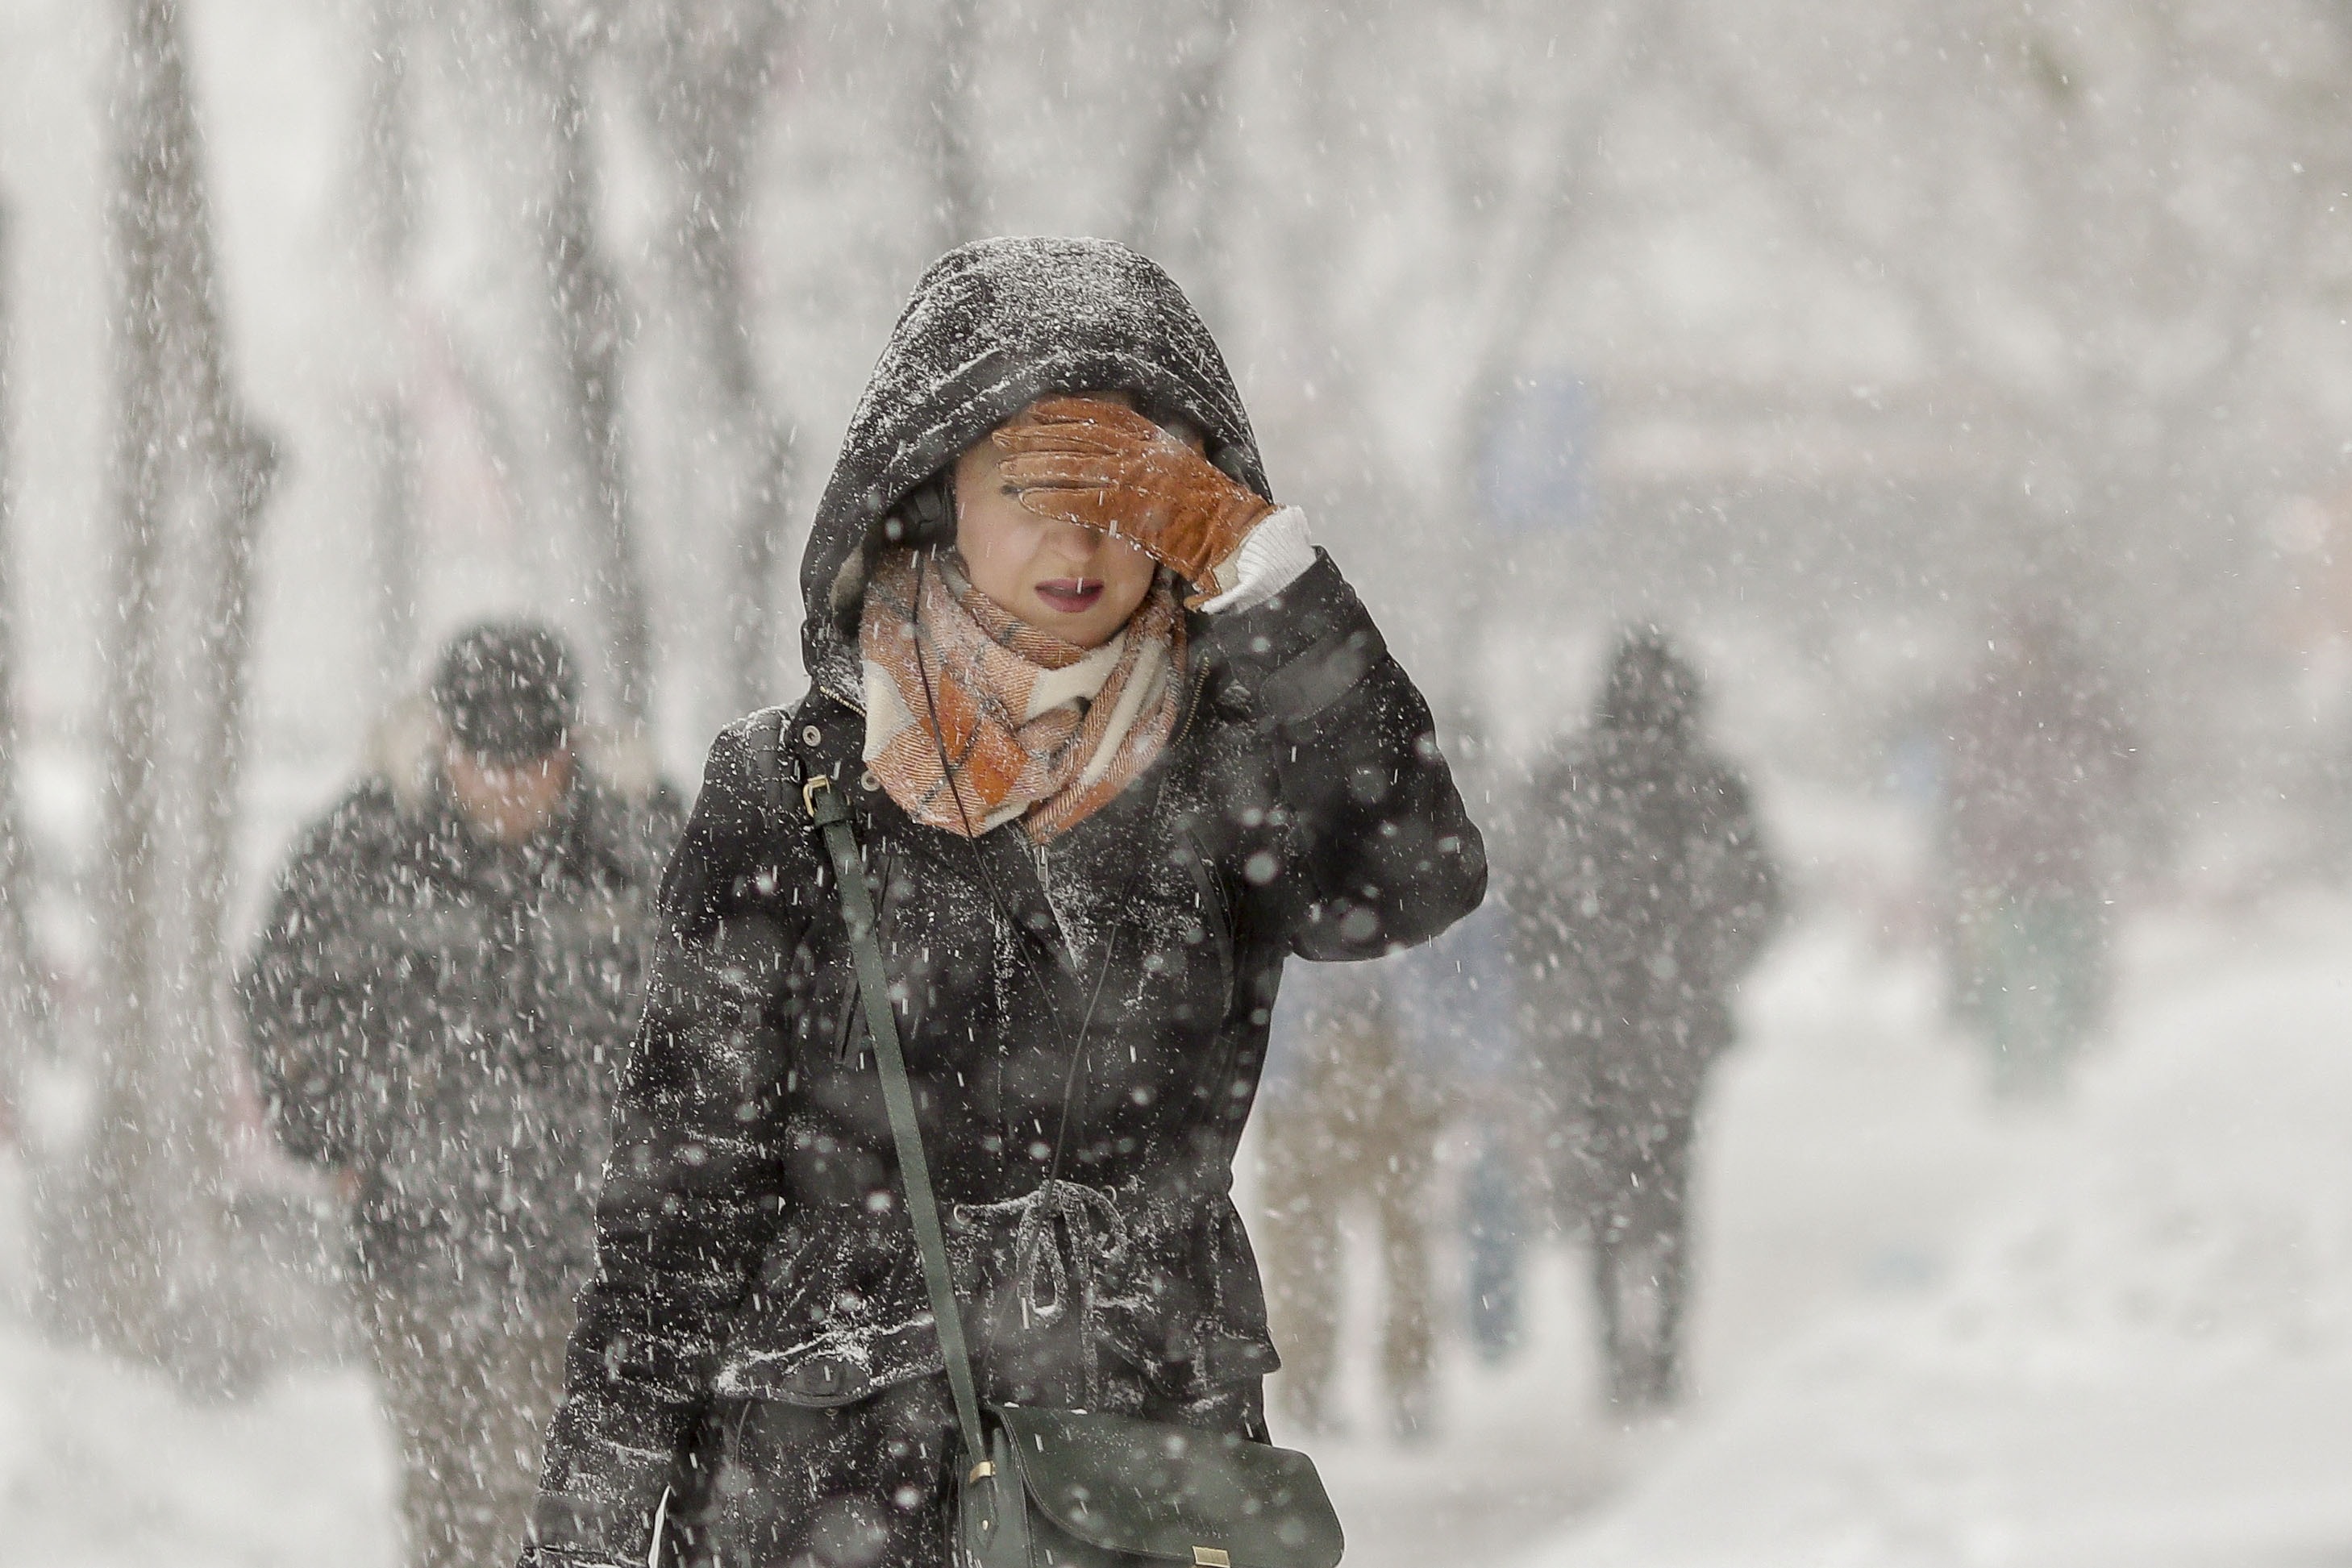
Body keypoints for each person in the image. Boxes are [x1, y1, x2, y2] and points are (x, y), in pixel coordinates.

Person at [517, 236, 1486, 1568]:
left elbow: (1418, 873)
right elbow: (686, 1181)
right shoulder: (793, 782)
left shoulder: (1228, 765)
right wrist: (597, 1504)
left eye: (1130, 492)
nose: (1079, 538)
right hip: (829, 1488)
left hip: (1144, 1481)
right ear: (931, 496)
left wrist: (1257, 564)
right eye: (1030, 486)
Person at [238, 622, 683, 1568]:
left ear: (568, 747)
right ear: (447, 743)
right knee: (444, 1501)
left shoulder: (642, 845)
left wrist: (669, 1162)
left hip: (585, 1250)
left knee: (548, 1506)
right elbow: (283, 991)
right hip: (416, 1240)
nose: (508, 785)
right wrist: (337, 1137)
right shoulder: (366, 843)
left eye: (530, 761)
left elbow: (725, 1002)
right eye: (486, 759)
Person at [1506, 629, 1780, 1411]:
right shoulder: (1711, 783)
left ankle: (1610, 1353)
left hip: (1583, 1018)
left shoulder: (1564, 776)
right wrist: (1709, 967)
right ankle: (1660, 1350)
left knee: (1599, 1186)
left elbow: (1518, 895)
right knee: (1671, 1182)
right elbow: (1761, 893)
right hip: (1672, 1022)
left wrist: (1549, 979)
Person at [1257, 892, 1520, 1440]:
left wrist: (1477, 1062)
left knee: (1400, 1242)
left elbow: (1478, 958)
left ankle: (1401, 1386)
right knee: (1308, 1247)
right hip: (1309, 1069)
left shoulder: (1410, 844)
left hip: (1392, 1066)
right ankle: (1315, 1389)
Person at [1942, 613, 2137, 1098]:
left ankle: (2053, 1074)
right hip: (2010, 872)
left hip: (2061, 869)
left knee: (2063, 976)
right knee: (2003, 979)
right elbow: (1963, 777)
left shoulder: (2075, 704)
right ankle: (2009, 1077)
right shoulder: (2000, 704)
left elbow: (2121, 763)